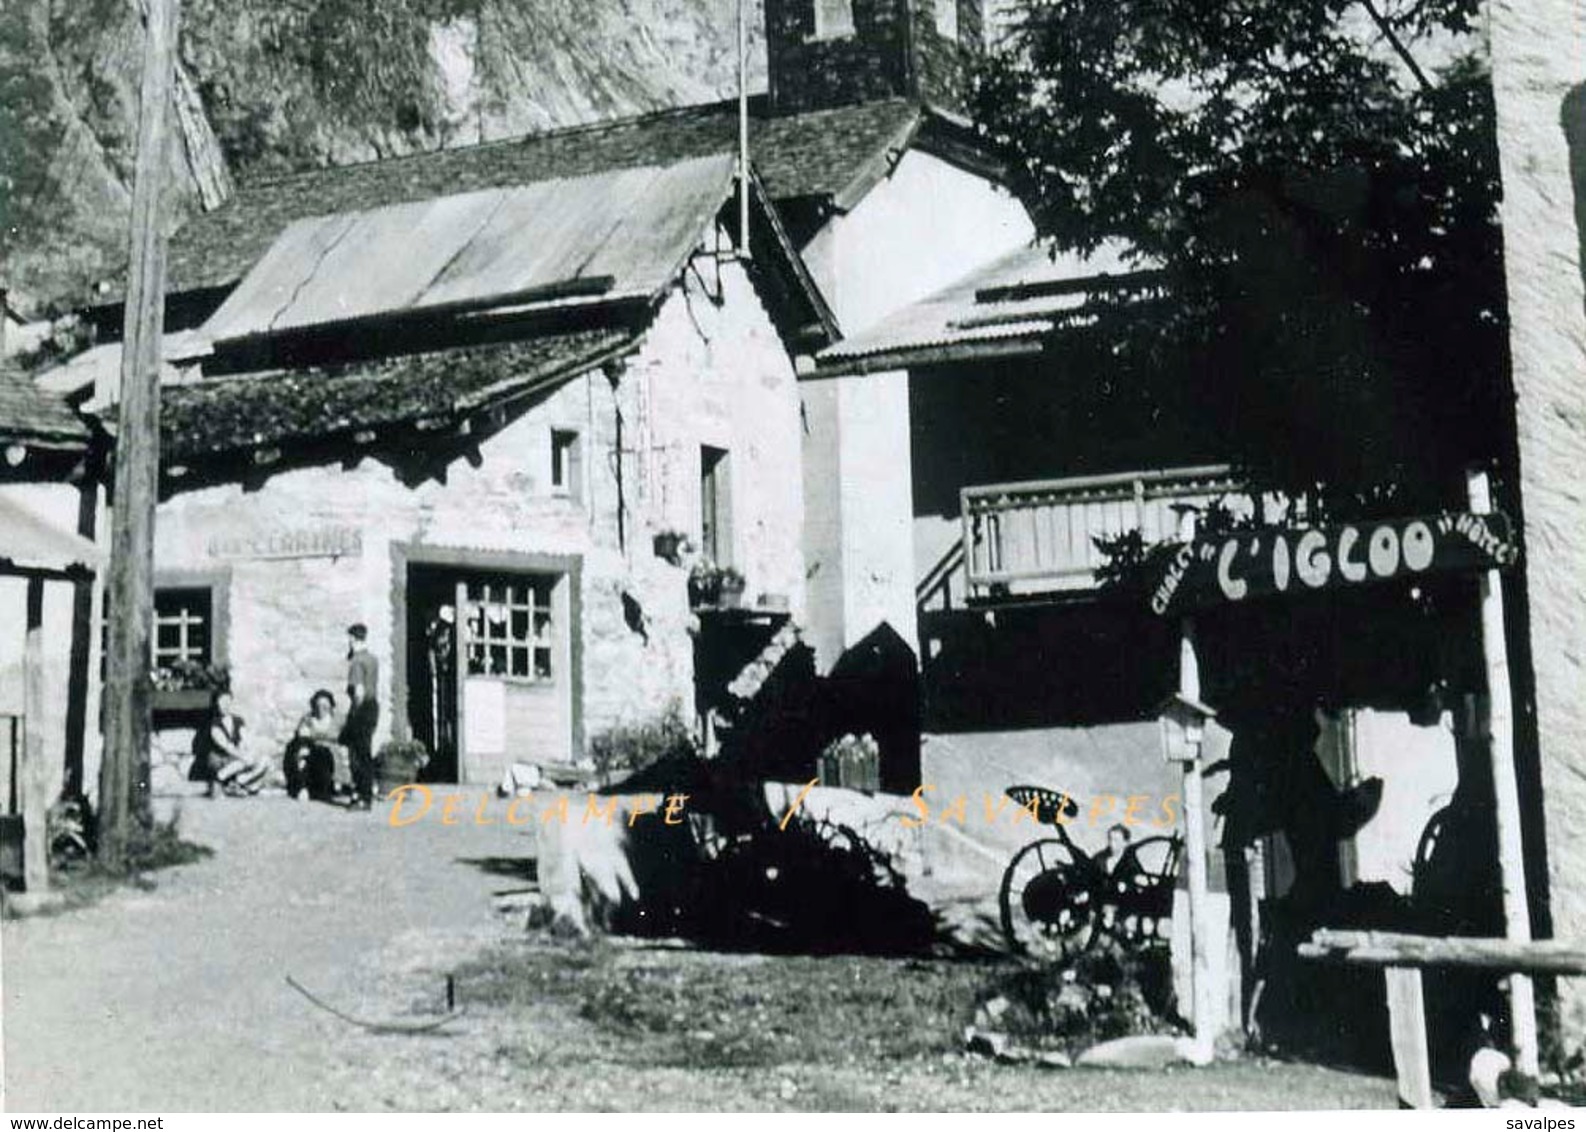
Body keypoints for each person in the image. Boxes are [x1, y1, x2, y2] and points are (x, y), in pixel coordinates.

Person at [197, 690, 270, 797]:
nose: (225, 705)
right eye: (222, 702)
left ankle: (239, 782)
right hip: (219, 759)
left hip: (236, 758)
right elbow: (226, 746)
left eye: (228, 701)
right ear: (217, 704)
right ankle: (219, 778)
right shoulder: (214, 724)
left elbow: (246, 739)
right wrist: (244, 757)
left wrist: (249, 750)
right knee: (246, 760)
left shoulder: (238, 720)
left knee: (265, 760)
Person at [341, 623, 380, 811]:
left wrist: (354, 716)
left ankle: (361, 796)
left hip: (362, 708)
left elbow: (358, 691)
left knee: (357, 754)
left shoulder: (357, 662)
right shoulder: (372, 659)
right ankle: (367, 794)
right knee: (365, 752)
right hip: (373, 707)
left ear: (353, 639)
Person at [285, 689, 342, 803]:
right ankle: (303, 787)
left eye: (325, 706)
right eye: (318, 705)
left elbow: (342, 737)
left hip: (331, 758)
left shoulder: (338, 720)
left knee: (324, 754)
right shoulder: (308, 719)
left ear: (331, 706)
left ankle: (331, 786)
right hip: (313, 755)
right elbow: (301, 734)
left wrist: (316, 736)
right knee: (302, 751)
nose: (321, 709)